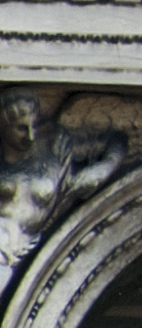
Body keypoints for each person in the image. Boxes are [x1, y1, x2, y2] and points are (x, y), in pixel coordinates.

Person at [0, 88, 126, 300]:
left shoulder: (54, 146)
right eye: (22, 128)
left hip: (43, 244)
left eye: (34, 125)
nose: (30, 135)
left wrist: (102, 169)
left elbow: (116, 141)